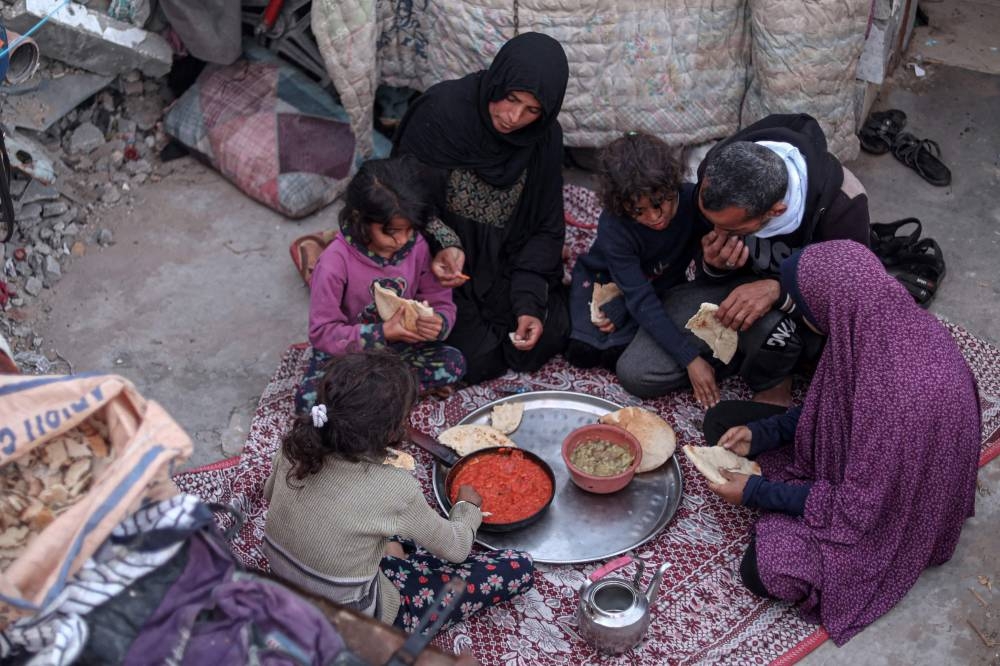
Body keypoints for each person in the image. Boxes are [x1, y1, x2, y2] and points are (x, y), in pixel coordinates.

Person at [700, 240, 980, 645]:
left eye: (800, 307)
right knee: (722, 424)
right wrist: (763, 433)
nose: (799, 316)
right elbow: (831, 407)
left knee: (763, 569)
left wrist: (758, 492)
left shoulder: (893, 391)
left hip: (891, 504)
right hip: (878, 450)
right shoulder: (871, 320)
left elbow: (856, 509)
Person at [265, 351, 535, 631]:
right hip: (355, 623)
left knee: (390, 528)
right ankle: (399, 568)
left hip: (286, 587)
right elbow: (457, 550)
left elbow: (270, 495)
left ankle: (393, 553)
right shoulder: (395, 488)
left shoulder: (294, 448)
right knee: (518, 566)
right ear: (393, 431)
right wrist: (468, 508)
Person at [616, 113, 871, 405]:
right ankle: (747, 357)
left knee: (780, 335)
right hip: (729, 296)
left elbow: (852, 300)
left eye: (732, 229)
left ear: (775, 211)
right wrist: (713, 265)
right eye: (715, 224)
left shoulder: (842, 206)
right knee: (637, 372)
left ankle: (774, 369)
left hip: (798, 311)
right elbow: (705, 270)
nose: (719, 232)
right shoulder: (716, 170)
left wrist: (778, 290)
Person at [393, 32, 571, 384]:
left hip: (502, 261)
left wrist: (527, 302)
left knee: (542, 336)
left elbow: (545, 227)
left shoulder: (544, 139)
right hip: (435, 260)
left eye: (532, 110)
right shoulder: (442, 115)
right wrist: (445, 244)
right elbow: (400, 198)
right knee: (471, 359)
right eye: (510, 98)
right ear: (497, 81)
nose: (514, 117)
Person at [295, 157, 465, 412]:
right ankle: (385, 398)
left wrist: (439, 322)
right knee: (310, 405)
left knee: (453, 363)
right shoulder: (334, 263)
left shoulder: (416, 246)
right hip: (346, 356)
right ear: (360, 219)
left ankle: (370, 401)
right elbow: (322, 334)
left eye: (409, 230)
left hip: (398, 351)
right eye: (391, 231)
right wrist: (381, 333)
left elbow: (439, 298)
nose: (401, 240)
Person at [565, 132, 720, 407]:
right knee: (583, 350)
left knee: (619, 354)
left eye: (660, 204)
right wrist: (689, 358)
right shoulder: (615, 226)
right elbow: (638, 296)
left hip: (659, 282)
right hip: (606, 278)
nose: (654, 218)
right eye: (638, 211)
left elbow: (656, 290)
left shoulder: (691, 201)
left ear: (673, 185)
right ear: (621, 206)